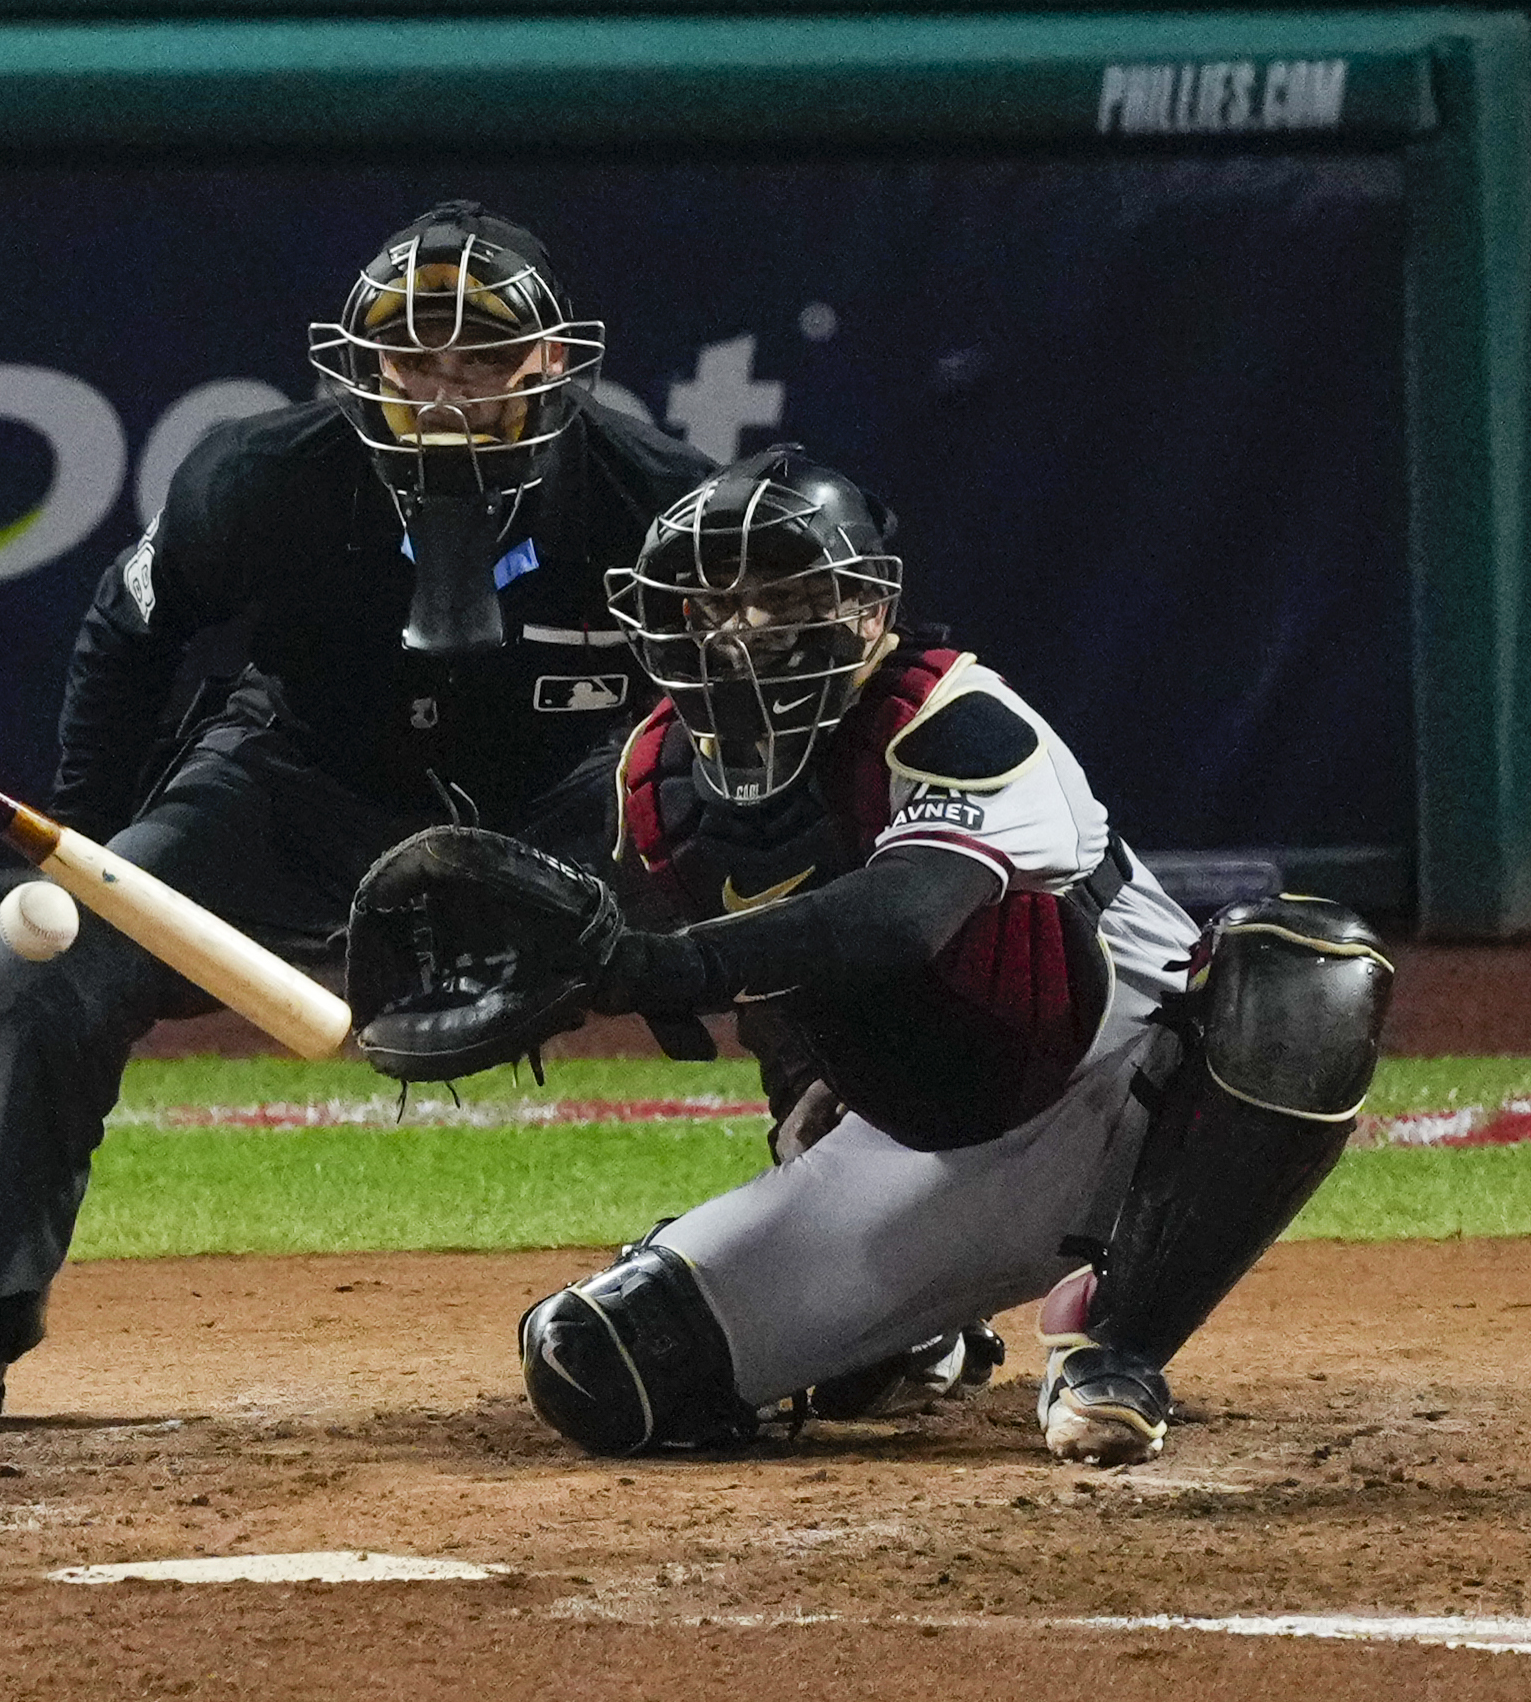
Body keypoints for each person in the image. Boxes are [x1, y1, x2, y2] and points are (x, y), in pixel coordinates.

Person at [344, 446, 1395, 1464]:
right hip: (922, 1142)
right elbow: (726, 970)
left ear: (869, 610)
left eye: (779, 599)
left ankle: (1116, 1350)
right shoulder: (653, 783)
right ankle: (912, 1334)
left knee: (1309, 968)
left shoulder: (956, 719)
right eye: (711, 606)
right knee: (594, 1364)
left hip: (1146, 1092)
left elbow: (895, 919)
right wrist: (539, 982)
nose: (740, 635)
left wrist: (636, 969)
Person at [0, 202, 715, 1432]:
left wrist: (707, 885)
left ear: (552, 362)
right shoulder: (261, 478)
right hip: (297, 779)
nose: (447, 389)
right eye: (414, 358)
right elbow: (126, 635)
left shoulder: (657, 499)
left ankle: (886, 1304)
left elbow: (749, 703)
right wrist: (90, 855)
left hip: (567, 806)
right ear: (359, 368)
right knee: (43, 965)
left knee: (803, 904)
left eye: (480, 356)